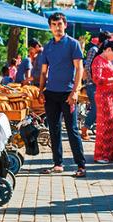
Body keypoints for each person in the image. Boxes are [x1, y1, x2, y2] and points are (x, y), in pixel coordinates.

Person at [38, 12, 87, 177]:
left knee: (72, 130)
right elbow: (44, 72)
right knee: (54, 129)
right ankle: (58, 164)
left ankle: (81, 166)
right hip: (50, 93)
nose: (57, 27)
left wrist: (75, 92)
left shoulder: (73, 44)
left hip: (68, 94)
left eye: (60, 24)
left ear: (65, 25)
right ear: (50, 27)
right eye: (54, 24)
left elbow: (79, 69)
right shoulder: (48, 46)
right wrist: (40, 90)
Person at [91, 40, 113, 163]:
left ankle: (110, 154)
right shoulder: (98, 60)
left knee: (112, 123)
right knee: (104, 125)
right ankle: (101, 155)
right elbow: (97, 79)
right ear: (108, 49)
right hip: (104, 96)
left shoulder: (108, 61)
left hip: (112, 96)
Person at [83, 31, 112, 141]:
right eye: (108, 40)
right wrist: (93, 81)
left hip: (100, 85)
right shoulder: (93, 50)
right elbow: (88, 67)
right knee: (96, 107)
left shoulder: (104, 52)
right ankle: (85, 128)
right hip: (93, 84)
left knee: (100, 108)